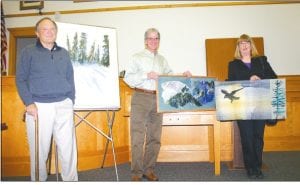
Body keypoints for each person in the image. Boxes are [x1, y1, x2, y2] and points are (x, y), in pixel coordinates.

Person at [124, 28, 191, 181]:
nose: (154, 41)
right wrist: (146, 75)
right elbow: (128, 78)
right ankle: (136, 172)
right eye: (151, 38)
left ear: (159, 41)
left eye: (156, 39)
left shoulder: (162, 60)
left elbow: (169, 77)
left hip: (158, 99)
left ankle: (148, 170)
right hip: (140, 97)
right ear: (145, 40)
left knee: (155, 137)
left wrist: (183, 75)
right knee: (137, 137)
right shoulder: (136, 57)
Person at [16, 17, 78, 181]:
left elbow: (69, 77)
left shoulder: (64, 52)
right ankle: (38, 181)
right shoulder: (28, 52)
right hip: (38, 107)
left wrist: (71, 99)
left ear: (56, 32)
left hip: (64, 105)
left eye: (52, 29)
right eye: (45, 29)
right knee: (39, 150)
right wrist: (29, 103)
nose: (49, 32)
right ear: (37, 33)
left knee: (68, 149)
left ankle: (71, 181)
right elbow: (20, 79)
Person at [227, 34, 277, 179]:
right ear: (238, 47)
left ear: (251, 45)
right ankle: (250, 167)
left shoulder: (261, 61)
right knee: (247, 137)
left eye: (246, 42)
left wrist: (259, 79)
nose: (244, 45)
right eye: (241, 43)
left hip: (261, 105)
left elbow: (274, 78)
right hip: (243, 106)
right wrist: (248, 80)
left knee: (258, 137)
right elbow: (231, 83)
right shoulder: (233, 64)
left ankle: (257, 166)